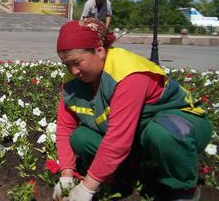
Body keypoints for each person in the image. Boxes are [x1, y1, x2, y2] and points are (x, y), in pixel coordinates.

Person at [51, 19, 211, 201]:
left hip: (182, 128)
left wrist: (87, 187)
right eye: (66, 65)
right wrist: (66, 174)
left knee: (161, 133)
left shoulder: (128, 74)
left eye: (77, 62)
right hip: (138, 135)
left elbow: (118, 140)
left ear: (99, 50)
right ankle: (125, 175)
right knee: (81, 137)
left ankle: (184, 189)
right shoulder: (73, 81)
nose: (73, 70)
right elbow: (65, 128)